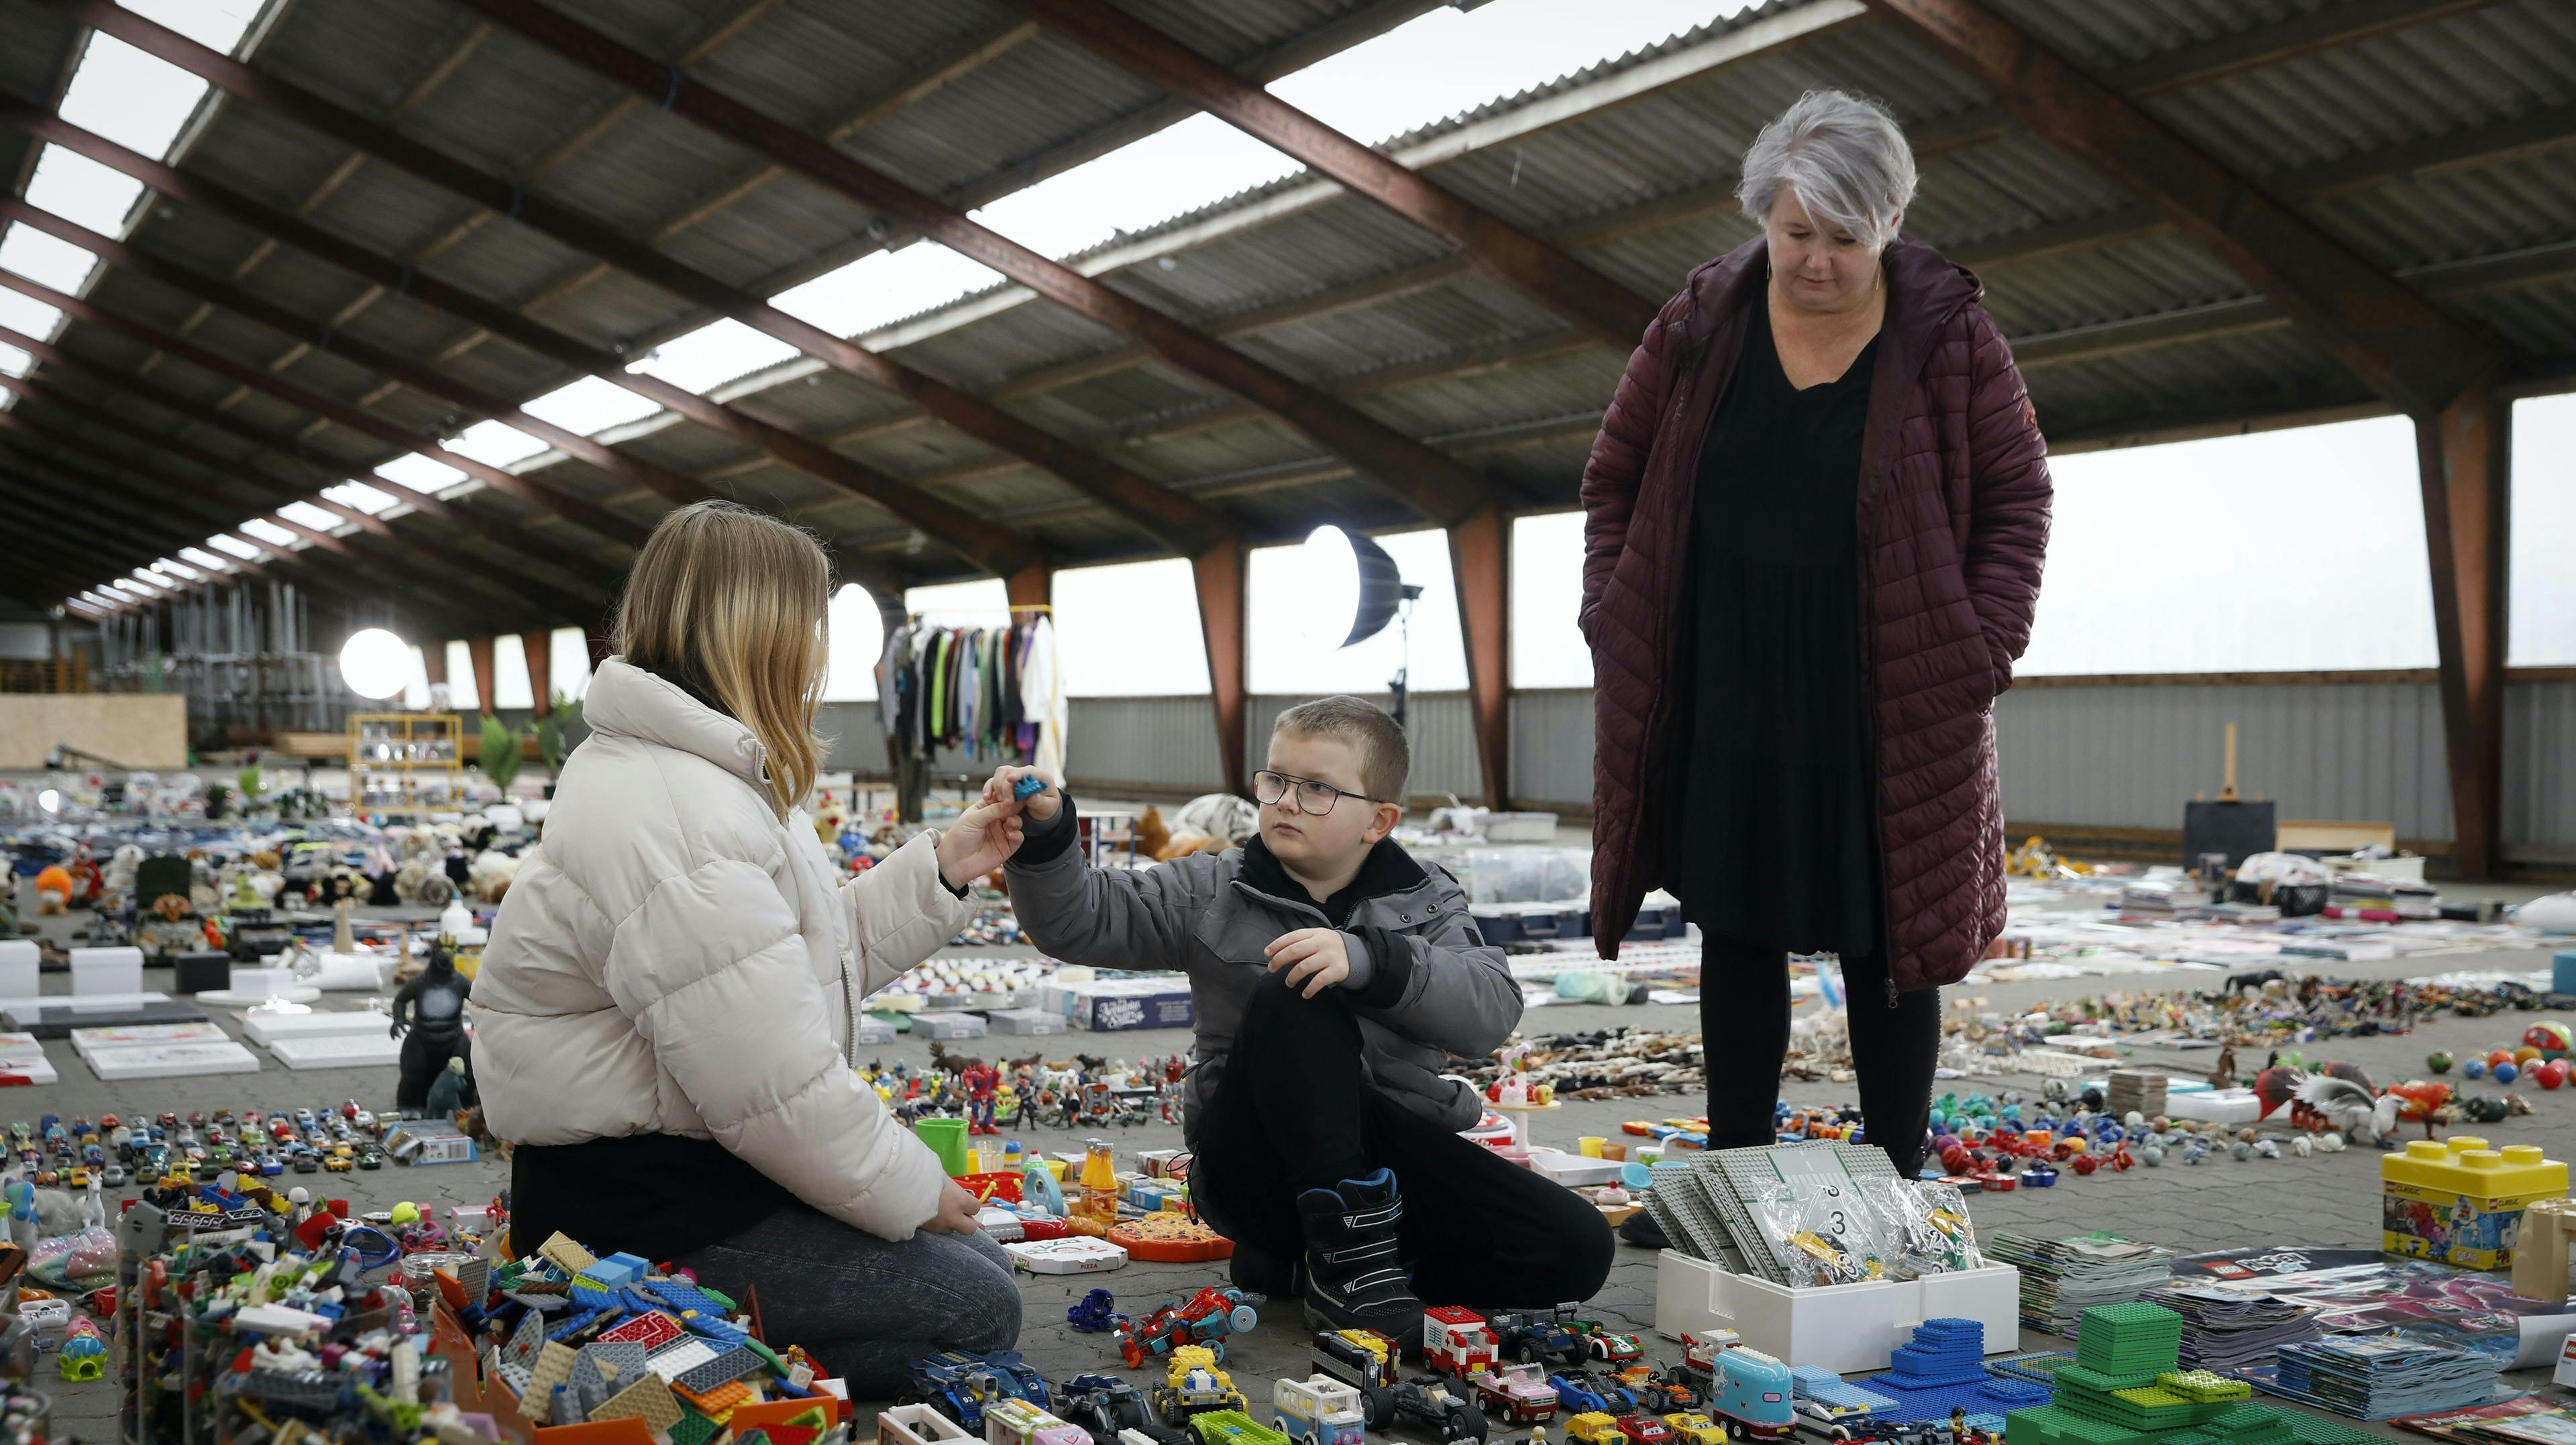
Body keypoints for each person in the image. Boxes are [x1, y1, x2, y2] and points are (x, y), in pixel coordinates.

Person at [1580, 92, 2052, 1192]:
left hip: (1889, 681)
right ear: (1764, 216)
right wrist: (1614, 609)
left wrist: (1980, 648)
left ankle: (1897, 1179)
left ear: (1890, 223)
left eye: (1845, 238)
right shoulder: (1699, 323)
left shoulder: (1950, 336)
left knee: (1890, 938)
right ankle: (1737, 1173)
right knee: (1736, 926)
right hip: (1725, 673)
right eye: (1797, 232)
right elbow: (1615, 478)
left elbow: (2018, 499)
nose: (1817, 262)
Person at [476, 500, 1032, 1393]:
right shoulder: (678, 809)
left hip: (675, 1173)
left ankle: (692, 1365)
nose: (819, 652)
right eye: (813, 626)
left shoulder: (698, 774)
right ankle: (646, 1368)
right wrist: (916, 1187)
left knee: (979, 1289)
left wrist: (947, 864)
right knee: (977, 1307)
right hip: (647, 1203)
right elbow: (770, 1084)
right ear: (763, 633)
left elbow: (783, 967)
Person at [994, 696, 1613, 1346]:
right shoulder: (1213, 889)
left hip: (1388, 1157)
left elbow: (1490, 1011)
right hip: (1253, 1163)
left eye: (1317, 788)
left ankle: (1336, 1265)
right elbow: (1080, 918)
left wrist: (1376, 961)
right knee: (1294, 992)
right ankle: (1347, 1278)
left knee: (1578, 1249)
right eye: (1276, 780)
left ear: (1379, 820)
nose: (1286, 801)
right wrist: (1049, 833)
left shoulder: (1426, 897)